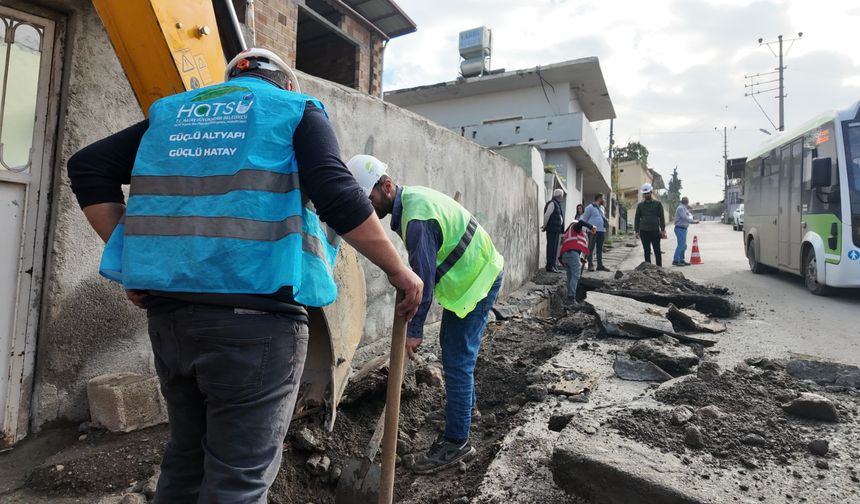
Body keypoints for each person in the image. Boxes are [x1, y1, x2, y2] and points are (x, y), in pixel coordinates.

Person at [66, 48, 423, 503]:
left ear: (231, 79)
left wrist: (133, 260)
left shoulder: (173, 114)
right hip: (256, 325)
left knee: (185, 462)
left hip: (172, 321)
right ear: (287, 84)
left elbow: (87, 166)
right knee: (238, 480)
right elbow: (336, 192)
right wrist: (399, 269)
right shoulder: (296, 110)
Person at [346, 154, 504, 475]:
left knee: (458, 359)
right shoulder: (413, 203)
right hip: (477, 273)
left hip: (477, 279)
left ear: (387, 186)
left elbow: (423, 281)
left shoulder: (416, 220)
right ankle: (465, 412)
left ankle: (457, 441)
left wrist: (414, 328)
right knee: (453, 349)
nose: (369, 206)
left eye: (370, 198)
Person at [558, 217, 596, 305]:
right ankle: (571, 298)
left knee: (570, 277)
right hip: (571, 255)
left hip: (565, 256)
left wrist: (579, 258)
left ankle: (569, 297)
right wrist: (591, 227)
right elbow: (582, 222)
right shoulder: (575, 227)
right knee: (575, 276)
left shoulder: (569, 233)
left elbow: (572, 246)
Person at [634, 183, 667, 266]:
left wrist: (662, 230)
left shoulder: (658, 204)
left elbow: (662, 217)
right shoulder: (640, 205)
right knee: (647, 251)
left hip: (655, 231)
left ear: (651, 192)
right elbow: (637, 218)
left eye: (647, 193)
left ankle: (659, 268)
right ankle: (648, 269)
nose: (646, 195)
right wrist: (636, 231)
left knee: (657, 250)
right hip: (644, 231)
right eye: (644, 194)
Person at [581, 193, 609, 272]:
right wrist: (584, 231)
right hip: (592, 231)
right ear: (599, 198)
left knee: (600, 248)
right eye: (603, 198)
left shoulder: (602, 208)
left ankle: (600, 265)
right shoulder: (589, 208)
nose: (604, 200)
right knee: (591, 248)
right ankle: (590, 265)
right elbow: (584, 220)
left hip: (601, 230)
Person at [542, 189, 565, 272]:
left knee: (554, 249)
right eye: (562, 196)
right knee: (551, 248)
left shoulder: (557, 204)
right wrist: (544, 226)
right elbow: (547, 215)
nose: (562, 198)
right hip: (551, 229)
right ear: (559, 196)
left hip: (556, 229)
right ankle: (549, 266)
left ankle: (553, 265)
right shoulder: (552, 203)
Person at [672, 197, 697, 266]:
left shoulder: (684, 208)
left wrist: (692, 219)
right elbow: (685, 217)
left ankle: (681, 260)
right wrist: (692, 221)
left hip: (683, 229)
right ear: (687, 202)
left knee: (684, 245)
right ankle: (676, 260)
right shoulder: (681, 208)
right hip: (680, 228)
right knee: (681, 245)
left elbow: (689, 216)